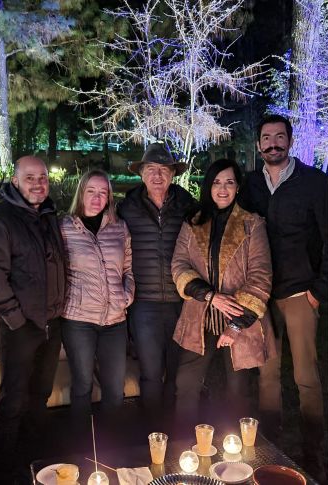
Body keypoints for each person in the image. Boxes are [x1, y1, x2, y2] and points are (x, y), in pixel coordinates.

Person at [238, 114, 328, 484]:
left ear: (289, 141)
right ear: (258, 144)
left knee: (306, 375)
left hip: (299, 291)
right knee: (267, 374)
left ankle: (314, 451)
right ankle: (271, 448)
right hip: (262, 295)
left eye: (280, 136)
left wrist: (320, 289)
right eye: (266, 137)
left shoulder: (315, 183)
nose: (273, 143)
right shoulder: (249, 186)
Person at [0, 156, 66, 485]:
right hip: (19, 328)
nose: (38, 183)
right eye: (30, 178)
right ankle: (1, 468)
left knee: (40, 394)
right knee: (12, 400)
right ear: (15, 181)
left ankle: (33, 457)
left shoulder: (48, 215)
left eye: (42, 177)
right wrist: (16, 321)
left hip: (50, 323)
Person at [171, 158, 276, 426]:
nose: (222, 189)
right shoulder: (193, 222)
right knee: (186, 383)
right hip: (201, 316)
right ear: (208, 186)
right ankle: (185, 445)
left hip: (239, 320)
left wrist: (236, 326)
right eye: (216, 182)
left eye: (229, 182)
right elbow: (179, 264)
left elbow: (261, 275)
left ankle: (236, 456)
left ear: (238, 187)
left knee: (238, 390)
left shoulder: (252, 224)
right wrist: (209, 295)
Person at [116, 142, 196, 420]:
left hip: (181, 302)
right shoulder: (127, 207)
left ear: (173, 173)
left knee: (177, 371)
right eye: (151, 169)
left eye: (164, 169)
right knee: (150, 373)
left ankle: (175, 434)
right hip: (145, 305)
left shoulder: (187, 206)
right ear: (141, 174)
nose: (157, 176)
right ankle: (152, 431)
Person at [59, 169, 135, 418]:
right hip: (79, 320)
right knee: (82, 386)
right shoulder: (64, 227)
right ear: (81, 193)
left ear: (109, 197)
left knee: (114, 389)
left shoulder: (119, 227)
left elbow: (128, 268)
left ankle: (111, 445)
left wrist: (127, 295)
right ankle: (81, 445)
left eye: (103, 192)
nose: (97, 197)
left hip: (115, 320)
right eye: (91, 191)